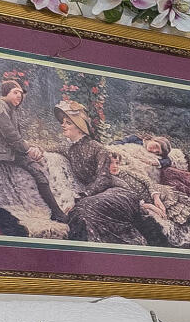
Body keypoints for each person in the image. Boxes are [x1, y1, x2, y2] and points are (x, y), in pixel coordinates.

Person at [58, 101, 170, 247]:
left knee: (83, 209)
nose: (62, 125)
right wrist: (34, 150)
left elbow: (104, 179)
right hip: (98, 194)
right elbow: (52, 148)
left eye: (68, 122)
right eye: (63, 122)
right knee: (78, 213)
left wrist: (81, 196)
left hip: (119, 192)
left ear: (79, 128)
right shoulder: (70, 149)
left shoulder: (97, 148)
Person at [0, 68, 56, 234]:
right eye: (16, 92)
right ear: (6, 92)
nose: (19, 96)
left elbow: (17, 137)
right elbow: (10, 135)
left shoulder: (10, 108)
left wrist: (34, 148)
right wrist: (29, 150)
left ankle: (56, 212)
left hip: (8, 151)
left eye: (21, 94)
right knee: (37, 171)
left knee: (38, 167)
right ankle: (56, 212)